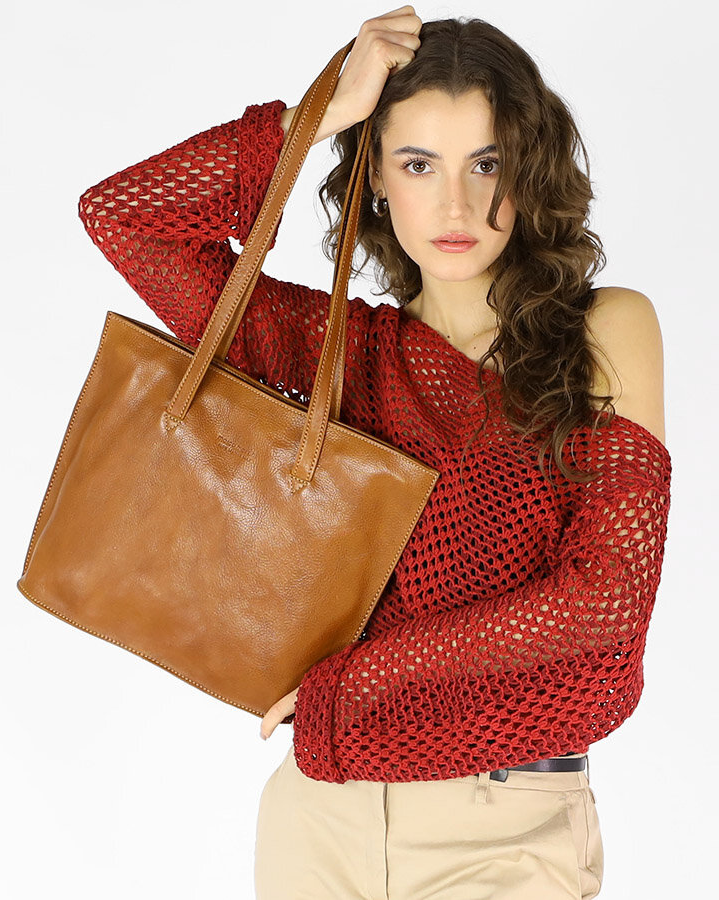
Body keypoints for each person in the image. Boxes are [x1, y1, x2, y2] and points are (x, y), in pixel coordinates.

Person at [77, 7, 672, 899]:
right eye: (418, 164)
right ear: (379, 178)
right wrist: (324, 112)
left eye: (487, 163)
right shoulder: (340, 353)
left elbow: (603, 606)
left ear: (530, 168)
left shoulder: (606, 330)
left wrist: (357, 682)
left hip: (505, 828)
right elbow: (122, 217)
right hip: (323, 819)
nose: (456, 206)